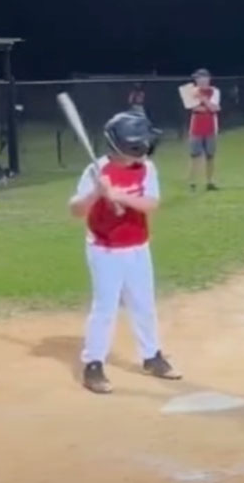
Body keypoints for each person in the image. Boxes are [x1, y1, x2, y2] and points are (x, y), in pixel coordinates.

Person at [68, 110, 180, 394]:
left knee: (143, 304)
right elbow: (75, 211)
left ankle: (151, 356)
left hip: (138, 248)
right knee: (105, 308)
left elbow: (151, 203)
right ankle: (93, 364)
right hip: (105, 250)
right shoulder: (97, 172)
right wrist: (95, 192)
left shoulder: (147, 169)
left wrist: (120, 196)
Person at [186, 68, 221, 192]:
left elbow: (214, 108)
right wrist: (208, 106)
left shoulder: (215, 91)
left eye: (200, 78)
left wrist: (202, 98)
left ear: (207, 78)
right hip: (196, 127)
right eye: (196, 78)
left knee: (210, 155)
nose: (198, 80)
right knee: (194, 155)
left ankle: (209, 181)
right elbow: (194, 108)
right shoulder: (190, 91)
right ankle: (192, 182)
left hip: (211, 127)